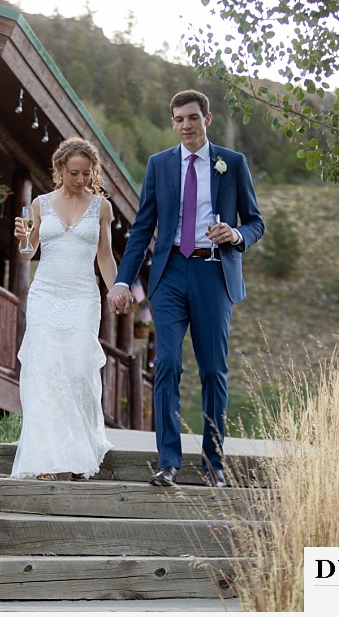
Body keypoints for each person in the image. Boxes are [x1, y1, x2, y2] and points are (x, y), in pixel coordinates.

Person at [108, 89, 264, 488]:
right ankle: (168, 461)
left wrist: (235, 233)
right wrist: (123, 280)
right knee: (168, 366)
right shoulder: (159, 165)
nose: (184, 126)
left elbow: (256, 222)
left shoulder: (232, 162)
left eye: (192, 118)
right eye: (178, 119)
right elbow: (142, 227)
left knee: (213, 370)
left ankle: (214, 464)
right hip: (170, 274)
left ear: (206, 119)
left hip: (214, 273)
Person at [10, 137, 118, 481]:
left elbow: (105, 255)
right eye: (74, 173)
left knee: (77, 370)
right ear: (59, 170)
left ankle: (75, 455)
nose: (81, 179)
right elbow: (29, 252)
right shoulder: (40, 205)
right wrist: (23, 239)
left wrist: (117, 288)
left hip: (84, 297)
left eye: (87, 173)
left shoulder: (101, 207)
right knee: (43, 369)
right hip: (46, 294)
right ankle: (46, 457)